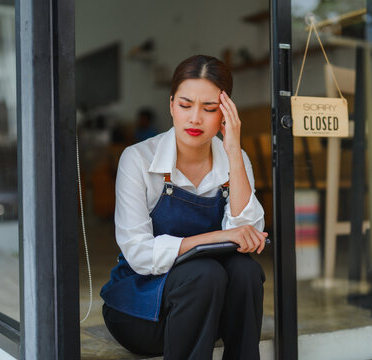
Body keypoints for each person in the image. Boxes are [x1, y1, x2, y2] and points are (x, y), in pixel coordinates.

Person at [100, 54, 267, 360]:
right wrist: (214, 238)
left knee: (245, 271)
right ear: (171, 106)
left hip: (205, 312)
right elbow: (138, 253)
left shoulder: (236, 159)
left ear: (225, 114)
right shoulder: (137, 160)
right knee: (204, 273)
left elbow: (249, 235)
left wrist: (232, 149)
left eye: (210, 108)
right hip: (142, 313)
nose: (195, 119)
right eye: (185, 105)